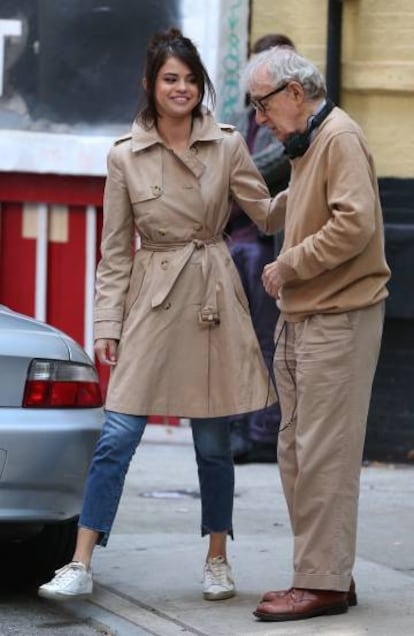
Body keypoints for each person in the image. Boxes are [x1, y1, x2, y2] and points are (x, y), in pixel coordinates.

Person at [38, 28, 283, 603]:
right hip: (151, 298)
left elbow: (267, 215)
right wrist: (106, 325)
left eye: (191, 80)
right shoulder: (123, 154)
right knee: (117, 435)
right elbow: (116, 250)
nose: (183, 89)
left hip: (211, 300)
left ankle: (218, 558)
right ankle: (80, 561)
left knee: (213, 442)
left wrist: (311, 164)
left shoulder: (227, 145)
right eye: (171, 79)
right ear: (150, 85)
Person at [243, 47, 391, 621]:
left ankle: (320, 584)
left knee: (323, 455)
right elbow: (304, 202)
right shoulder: (310, 140)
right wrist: (266, 208)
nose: (260, 118)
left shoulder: (339, 137)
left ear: (294, 94)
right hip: (307, 318)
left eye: (262, 105)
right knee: (298, 453)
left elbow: (354, 222)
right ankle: (329, 571)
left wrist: (290, 263)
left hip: (338, 318)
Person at [225, 33, 295, 464]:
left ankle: (264, 432)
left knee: (270, 340)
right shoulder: (238, 117)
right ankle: (236, 425)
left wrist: (228, 184)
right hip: (233, 240)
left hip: (269, 245)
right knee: (235, 340)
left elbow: (266, 169)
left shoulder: (293, 122)